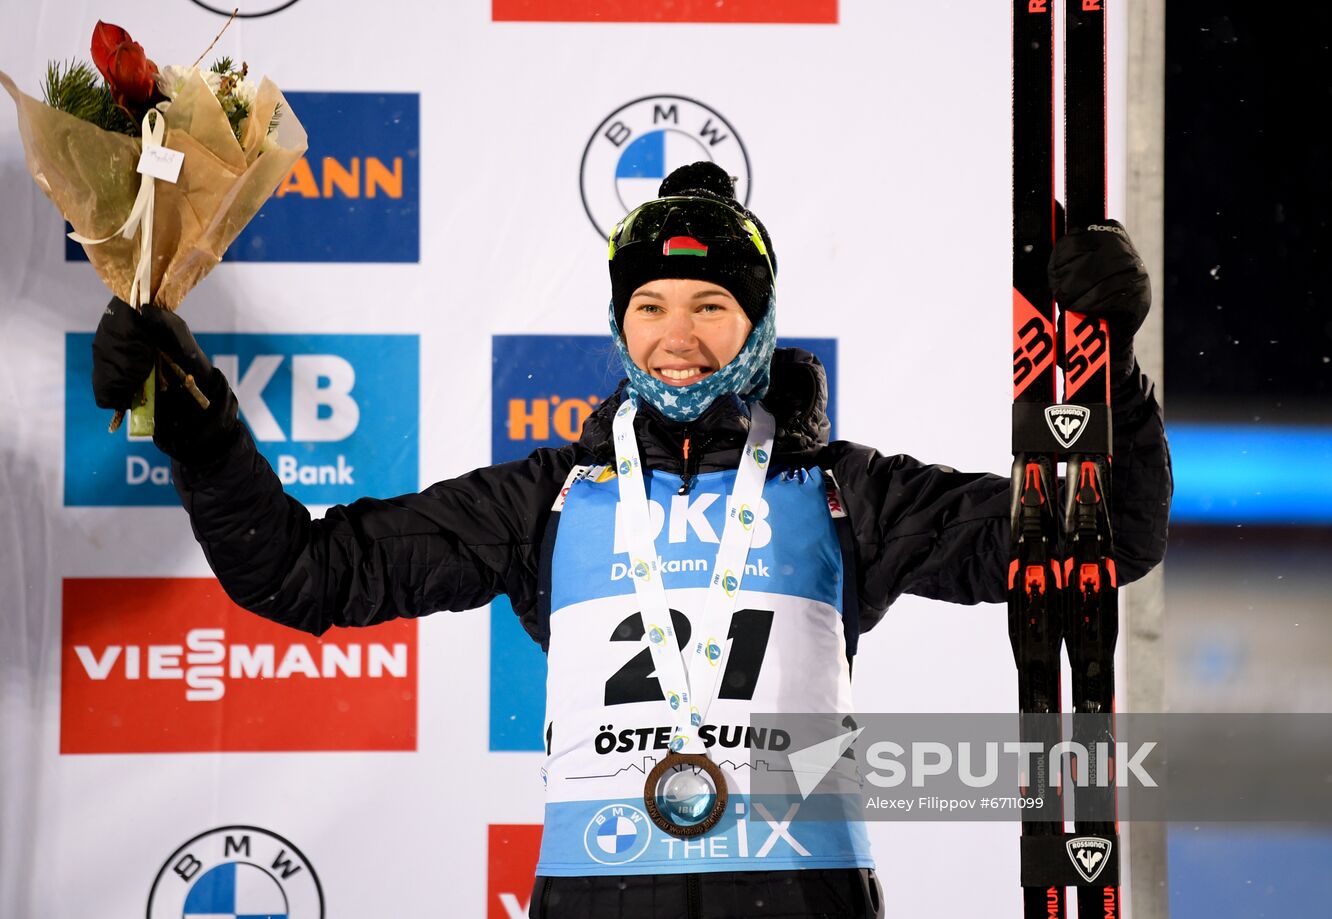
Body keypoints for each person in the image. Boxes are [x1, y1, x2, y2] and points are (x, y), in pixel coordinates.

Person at [91, 161, 1171, 919]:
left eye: (711, 303)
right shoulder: (545, 501)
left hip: (800, 894)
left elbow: (1104, 540)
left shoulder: (846, 494)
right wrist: (197, 428)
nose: (678, 335)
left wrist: (1110, 367)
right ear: (618, 326)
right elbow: (301, 574)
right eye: (650, 303)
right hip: (595, 892)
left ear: (757, 323)